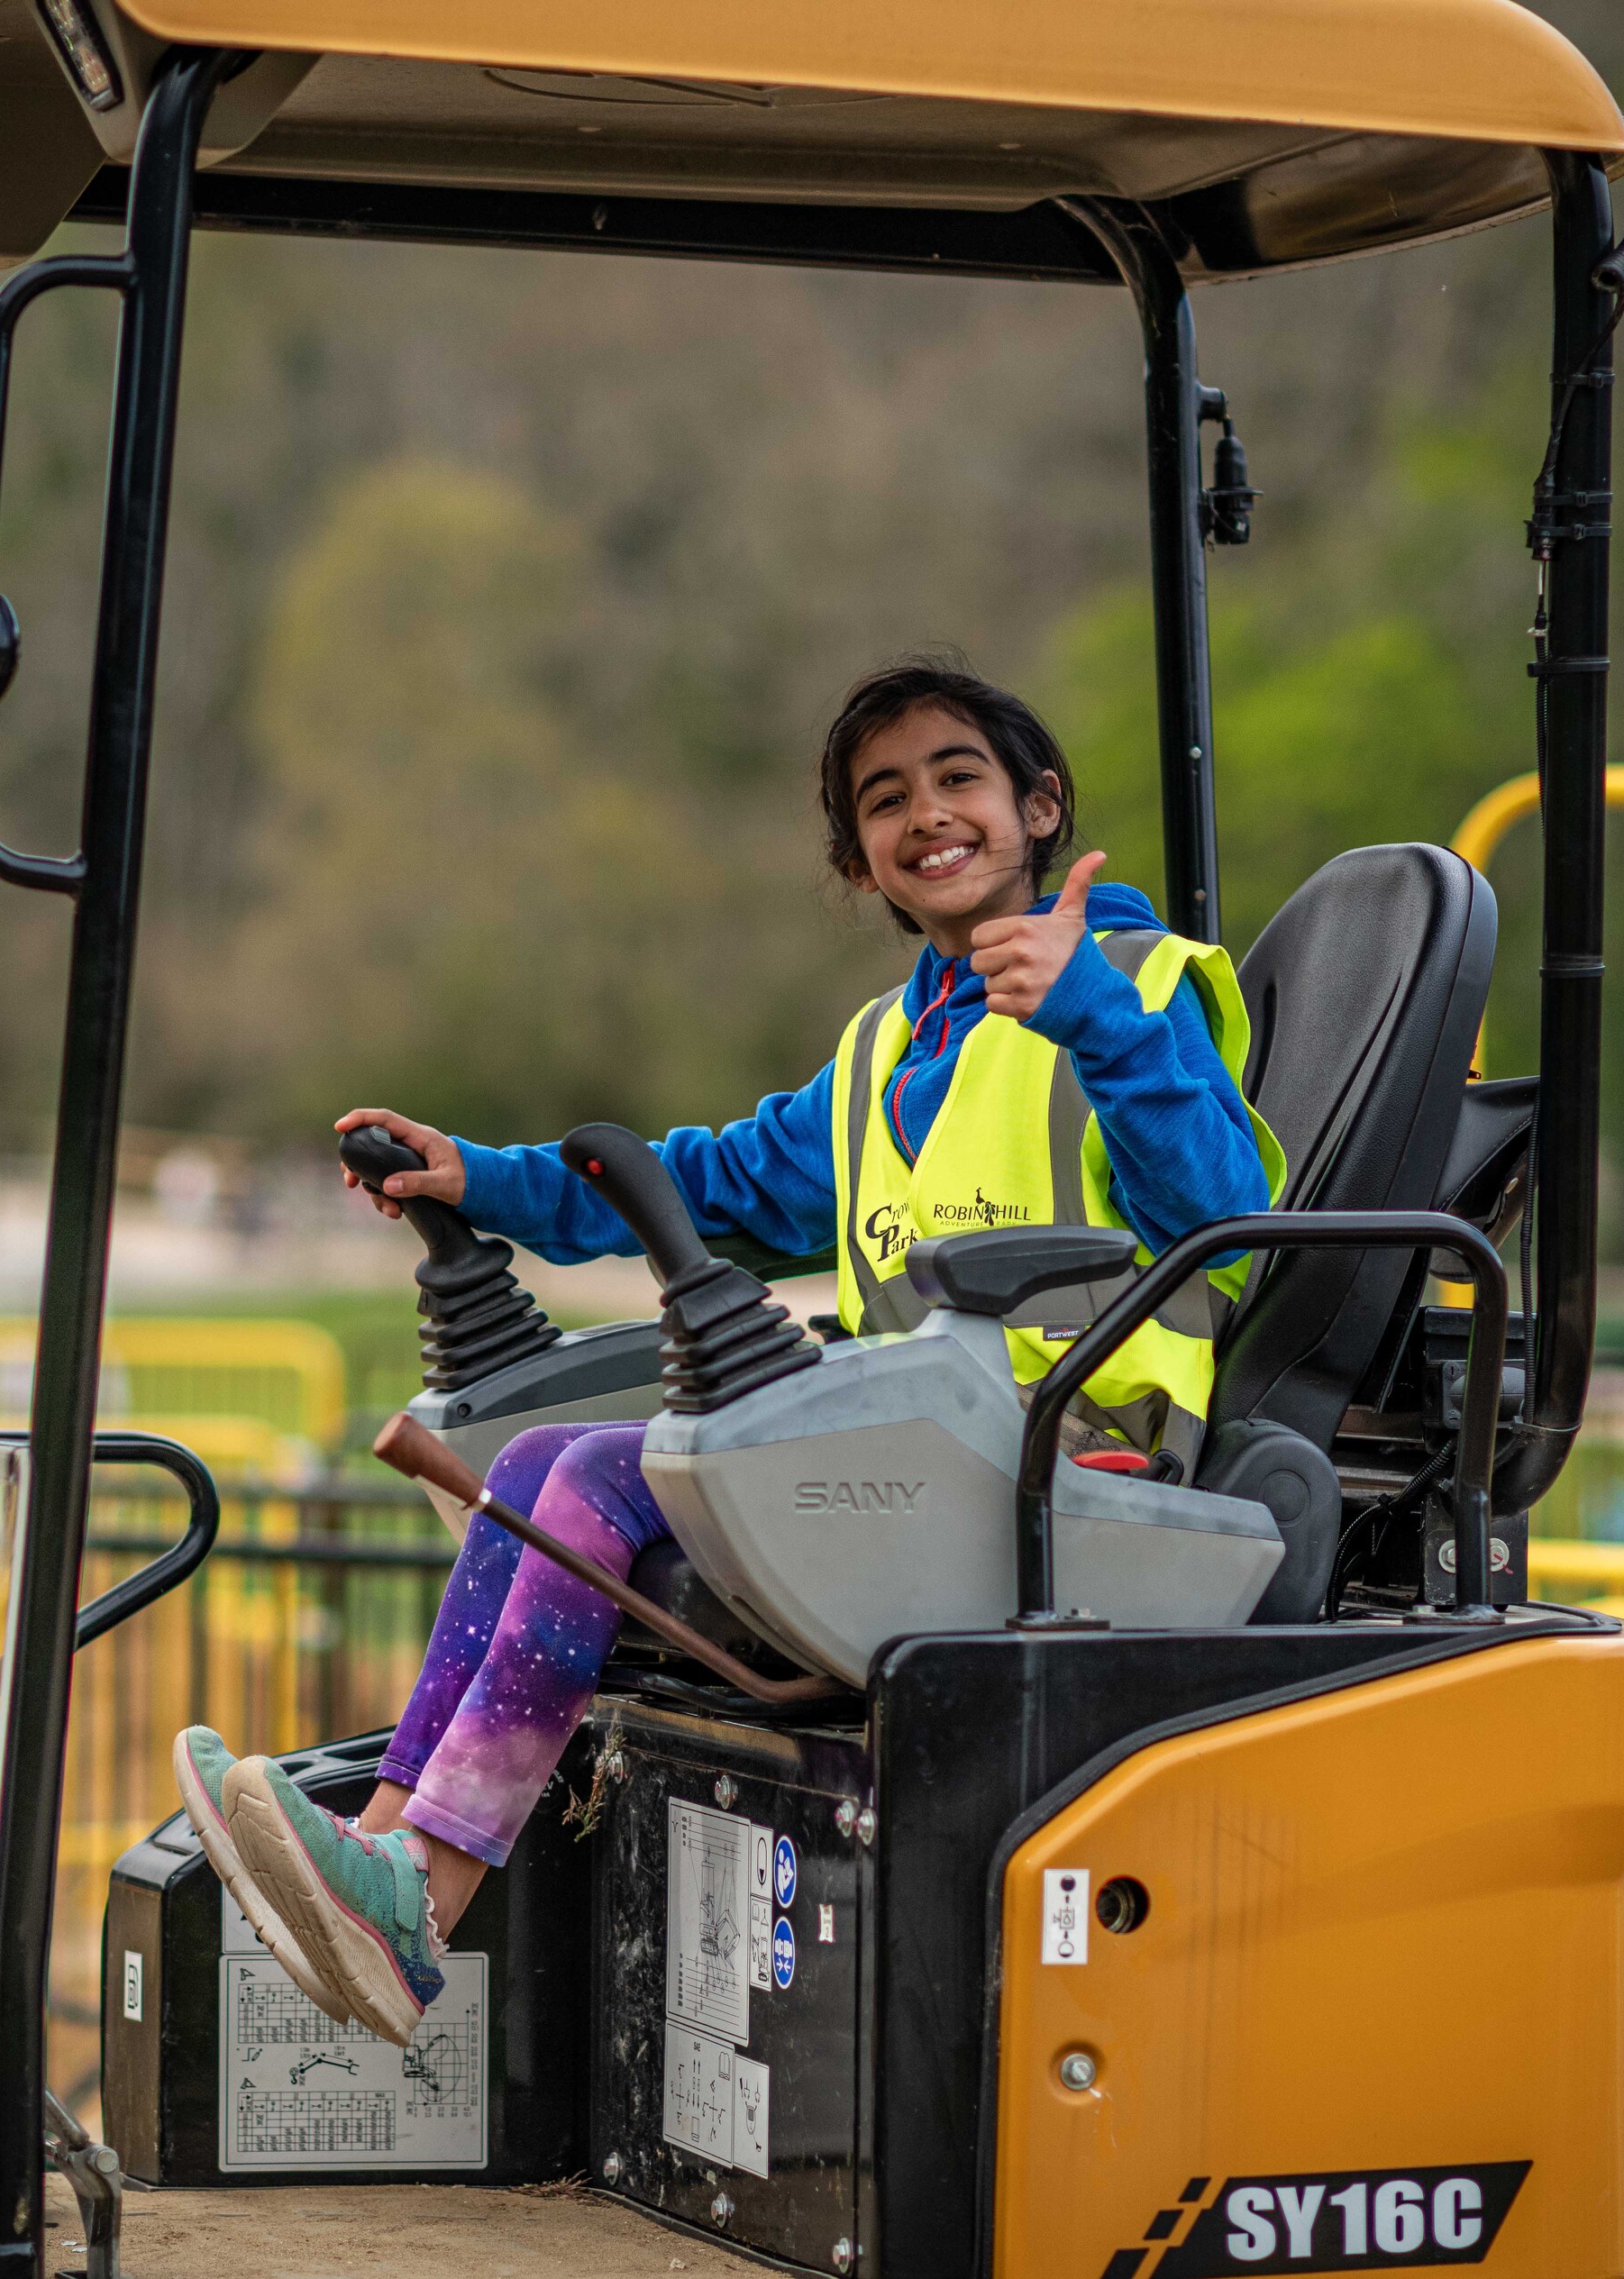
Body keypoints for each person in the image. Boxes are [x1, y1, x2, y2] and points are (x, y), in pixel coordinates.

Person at [174, 657, 1285, 2044]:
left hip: (1081, 1468)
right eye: (884, 800)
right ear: (859, 860)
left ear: (1039, 806)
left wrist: (1099, 1026)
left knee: (592, 1479)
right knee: (533, 1463)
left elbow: (1229, 1226)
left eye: (957, 778)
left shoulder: (1132, 984)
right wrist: (485, 1180)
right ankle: (390, 1848)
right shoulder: (892, 1043)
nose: (925, 814)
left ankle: (418, 1893)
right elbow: (712, 1186)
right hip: (933, 1459)